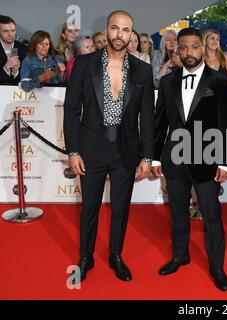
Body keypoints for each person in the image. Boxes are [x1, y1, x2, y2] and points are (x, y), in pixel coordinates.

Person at [63, 10, 154, 283]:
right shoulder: (83, 64)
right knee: (89, 207)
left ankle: (116, 255)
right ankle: (86, 256)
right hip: (91, 148)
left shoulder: (143, 70)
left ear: (131, 34)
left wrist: (148, 156)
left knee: (121, 207)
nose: (119, 35)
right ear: (107, 29)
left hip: (126, 150)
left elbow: (147, 116)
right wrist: (73, 151)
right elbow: (71, 111)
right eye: (115, 28)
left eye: (126, 30)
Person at [151, 27, 227, 291]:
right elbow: (159, 122)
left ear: (202, 47)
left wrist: (225, 162)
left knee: (212, 215)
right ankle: (180, 255)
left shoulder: (219, 81)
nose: (188, 52)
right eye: (183, 48)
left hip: (208, 160)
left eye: (194, 46)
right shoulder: (167, 82)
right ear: (176, 51)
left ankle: (217, 267)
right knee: (177, 213)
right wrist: (154, 158)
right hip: (174, 159)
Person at [0, 15, 27, 85]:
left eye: (13, 30)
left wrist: (15, 71)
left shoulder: (24, 49)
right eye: (5, 31)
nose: (10, 34)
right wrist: (6, 68)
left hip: (18, 94)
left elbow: (28, 79)